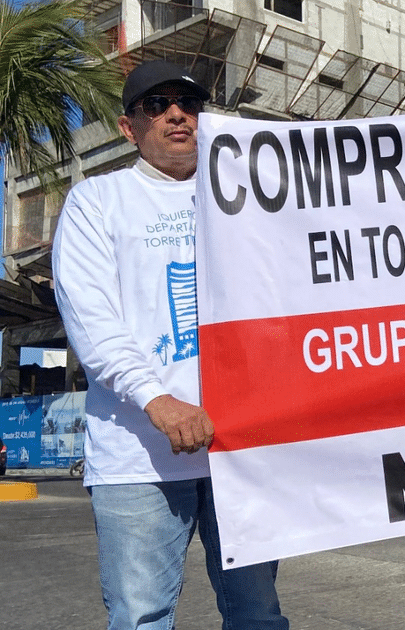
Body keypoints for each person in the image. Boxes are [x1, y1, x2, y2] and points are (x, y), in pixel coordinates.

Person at [52, 60, 288, 630]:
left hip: (243, 451)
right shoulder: (97, 202)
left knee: (258, 615)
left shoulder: (247, 195)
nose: (176, 114)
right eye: (156, 105)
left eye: (188, 104)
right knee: (142, 617)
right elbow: (92, 319)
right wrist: (158, 400)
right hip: (139, 458)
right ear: (128, 128)